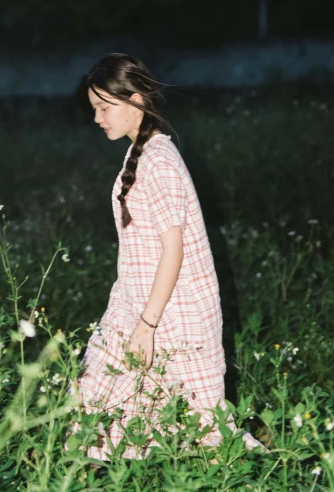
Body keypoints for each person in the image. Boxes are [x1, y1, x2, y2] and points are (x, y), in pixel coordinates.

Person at [68, 53, 267, 461]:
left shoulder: (159, 160)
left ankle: (269, 473)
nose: (97, 118)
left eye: (105, 108)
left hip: (171, 314)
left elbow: (173, 252)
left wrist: (147, 326)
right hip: (137, 303)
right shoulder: (141, 154)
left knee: (205, 430)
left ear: (137, 100)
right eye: (94, 109)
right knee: (95, 401)